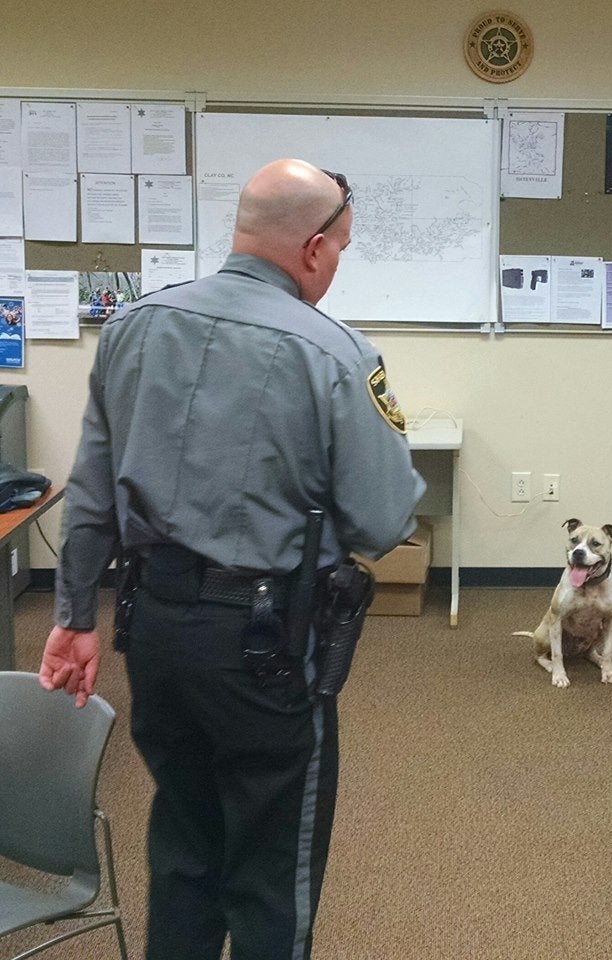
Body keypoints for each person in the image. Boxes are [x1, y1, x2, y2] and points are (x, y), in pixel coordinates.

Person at [38, 158, 426, 960]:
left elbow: (90, 493)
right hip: (266, 648)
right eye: (342, 249)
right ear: (314, 248)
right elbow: (385, 520)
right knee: (269, 868)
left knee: (185, 845)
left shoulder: (133, 327)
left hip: (152, 634)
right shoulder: (336, 353)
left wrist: (74, 619)